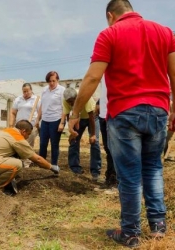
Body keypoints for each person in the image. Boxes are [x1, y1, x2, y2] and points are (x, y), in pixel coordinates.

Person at [68, 0, 175, 247]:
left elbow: (94, 76)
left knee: (129, 175)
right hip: (158, 110)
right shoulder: (165, 32)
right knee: (153, 168)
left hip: (125, 112)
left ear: (110, 15)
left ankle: (130, 232)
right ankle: (158, 227)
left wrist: (75, 113)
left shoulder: (109, 34)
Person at [0, 120, 60, 195]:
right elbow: (37, 159)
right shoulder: (17, 138)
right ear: (23, 131)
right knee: (17, 165)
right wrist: (51, 167)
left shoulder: (7, 131)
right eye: (28, 134)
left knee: (13, 160)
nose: (28, 137)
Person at [61, 87, 101, 181]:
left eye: (72, 101)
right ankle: (75, 168)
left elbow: (91, 117)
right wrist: (71, 131)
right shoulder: (65, 99)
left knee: (94, 143)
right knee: (73, 141)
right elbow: (67, 115)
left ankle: (95, 172)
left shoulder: (84, 97)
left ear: (77, 98)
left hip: (92, 118)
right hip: (78, 118)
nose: (70, 104)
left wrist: (93, 134)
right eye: (69, 102)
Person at [35, 71, 65, 166]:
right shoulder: (44, 90)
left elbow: (65, 107)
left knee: (54, 144)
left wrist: (62, 123)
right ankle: (42, 163)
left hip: (56, 120)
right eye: (49, 81)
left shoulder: (62, 90)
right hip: (45, 120)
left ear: (57, 80)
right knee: (43, 143)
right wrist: (37, 119)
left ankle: (54, 165)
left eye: (53, 81)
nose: (51, 83)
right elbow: (42, 105)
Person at [9, 83, 40, 167]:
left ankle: (26, 163)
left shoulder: (36, 99)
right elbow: (13, 112)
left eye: (27, 91)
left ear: (31, 90)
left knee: (28, 145)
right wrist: (11, 124)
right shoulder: (18, 99)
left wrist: (37, 122)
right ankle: (18, 162)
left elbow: (40, 113)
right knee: (18, 144)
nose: (25, 93)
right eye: (24, 91)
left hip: (31, 126)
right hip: (19, 127)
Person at [95, 82, 117, 188]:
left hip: (115, 114)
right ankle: (110, 178)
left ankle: (116, 180)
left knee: (116, 150)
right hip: (103, 115)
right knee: (108, 149)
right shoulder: (103, 71)